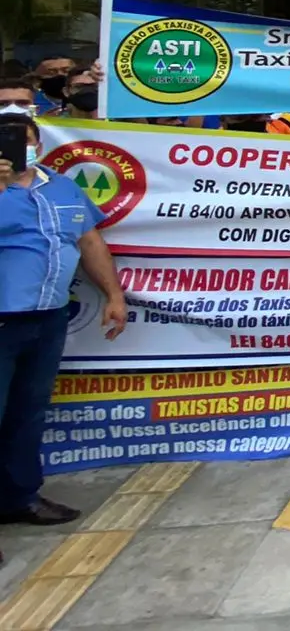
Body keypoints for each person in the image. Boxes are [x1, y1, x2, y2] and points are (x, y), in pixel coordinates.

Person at [0, 112, 129, 551]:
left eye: (25, 139)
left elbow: (89, 241)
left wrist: (113, 295)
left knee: (27, 413)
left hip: (47, 319)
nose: (19, 147)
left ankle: (19, 498)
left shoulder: (61, 186)